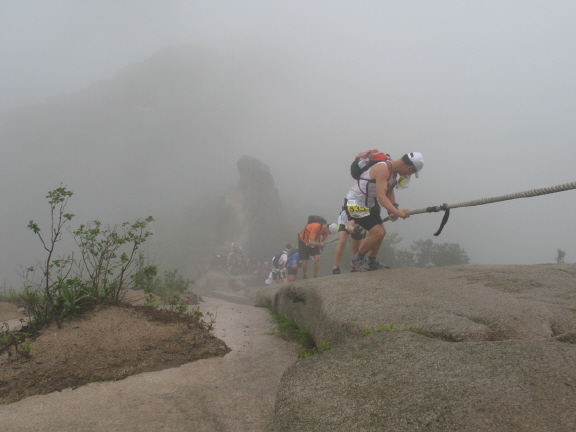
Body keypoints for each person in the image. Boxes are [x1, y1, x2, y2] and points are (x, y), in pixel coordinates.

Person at [345, 151, 424, 271]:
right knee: (377, 232)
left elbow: (389, 191)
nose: (410, 175)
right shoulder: (383, 168)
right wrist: (398, 213)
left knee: (382, 232)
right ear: (409, 168)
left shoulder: (393, 174)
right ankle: (356, 261)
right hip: (353, 203)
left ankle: (372, 261)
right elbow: (381, 197)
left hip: (369, 204)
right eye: (412, 173)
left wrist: (393, 209)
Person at [332, 209, 366, 274]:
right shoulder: (351, 200)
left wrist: (364, 228)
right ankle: (336, 267)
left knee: (356, 246)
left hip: (359, 221)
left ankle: (354, 266)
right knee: (342, 241)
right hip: (344, 220)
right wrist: (351, 227)